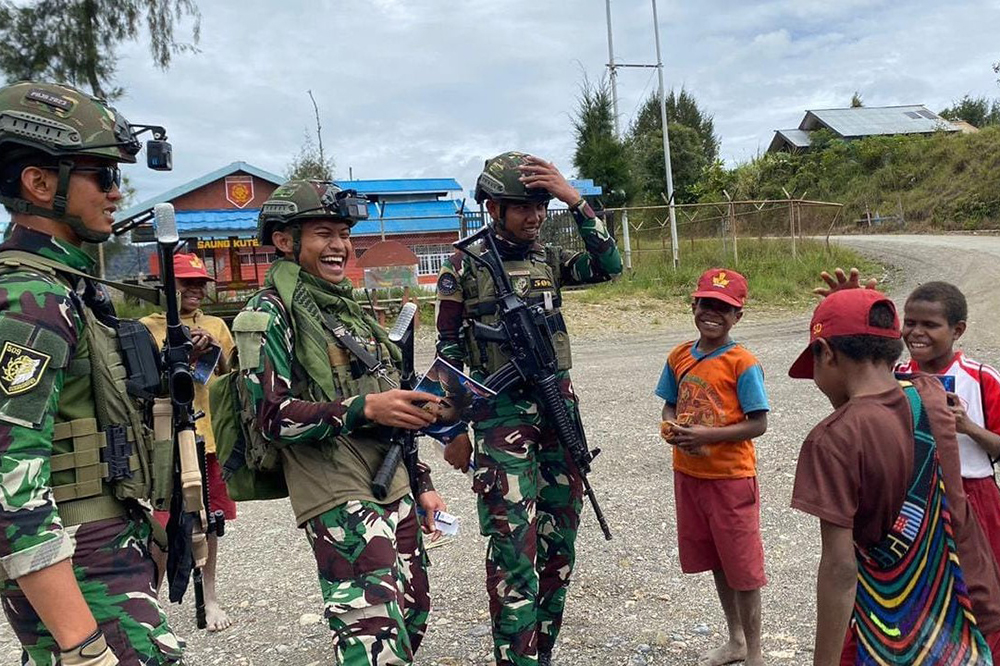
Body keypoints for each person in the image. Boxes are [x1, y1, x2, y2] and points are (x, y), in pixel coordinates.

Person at [0, 81, 182, 664]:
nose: (115, 191)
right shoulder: (32, 298)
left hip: (99, 550)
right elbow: (9, 483)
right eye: (101, 175)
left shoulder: (67, 289)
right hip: (77, 562)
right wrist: (84, 647)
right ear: (40, 182)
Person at [238, 178, 447, 664]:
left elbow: (388, 403)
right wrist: (363, 409)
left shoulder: (349, 310)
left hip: (388, 472)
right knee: (370, 626)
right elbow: (271, 418)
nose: (340, 247)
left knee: (413, 610)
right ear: (286, 241)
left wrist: (423, 482)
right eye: (323, 234)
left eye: (345, 235)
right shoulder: (268, 315)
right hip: (330, 478)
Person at [436, 151, 622, 666]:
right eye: (523, 206)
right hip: (501, 424)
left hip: (559, 415)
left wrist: (575, 200)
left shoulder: (548, 257)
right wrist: (453, 428)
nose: (536, 215)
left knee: (559, 548)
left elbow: (610, 267)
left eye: (541, 205)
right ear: (493, 207)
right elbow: (448, 350)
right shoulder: (463, 264)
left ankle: (541, 655)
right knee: (513, 554)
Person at [789, 287, 1000, 664]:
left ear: (828, 353)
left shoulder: (832, 439)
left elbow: (839, 569)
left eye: (816, 364)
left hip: (894, 624)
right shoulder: (931, 394)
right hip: (970, 604)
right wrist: (854, 305)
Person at [654, 268, 769, 666]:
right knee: (719, 560)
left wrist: (705, 436)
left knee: (744, 567)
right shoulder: (680, 356)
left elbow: (759, 422)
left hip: (730, 478)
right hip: (689, 474)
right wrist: (673, 424)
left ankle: (754, 651)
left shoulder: (743, 362)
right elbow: (670, 401)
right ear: (694, 306)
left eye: (724, 308)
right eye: (706, 304)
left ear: (737, 316)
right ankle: (734, 639)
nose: (712, 313)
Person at [141, 252, 237, 631]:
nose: (195, 289)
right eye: (186, 282)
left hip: (211, 438)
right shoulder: (146, 328)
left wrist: (213, 349)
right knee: (163, 525)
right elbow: (142, 386)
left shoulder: (215, 324)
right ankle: (149, 603)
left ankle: (209, 597)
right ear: (164, 285)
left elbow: (235, 376)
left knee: (210, 522)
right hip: (166, 442)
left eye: (200, 282)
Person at [894, 281, 1000, 565]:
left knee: (982, 581)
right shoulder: (895, 376)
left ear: (958, 330)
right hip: (912, 495)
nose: (916, 332)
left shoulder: (981, 378)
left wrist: (969, 427)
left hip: (973, 494)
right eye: (910, 322)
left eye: (930, 325)